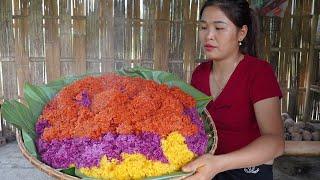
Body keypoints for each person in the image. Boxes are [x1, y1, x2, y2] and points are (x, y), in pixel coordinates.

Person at [182, 0, 284, 179]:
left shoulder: (258, 72)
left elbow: (275, 142)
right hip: (204, 170)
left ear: (241, 33)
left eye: (219, 28)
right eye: (203, 27)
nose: (209, 36)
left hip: (248, 172)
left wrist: (218, 164)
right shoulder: (199, 74)